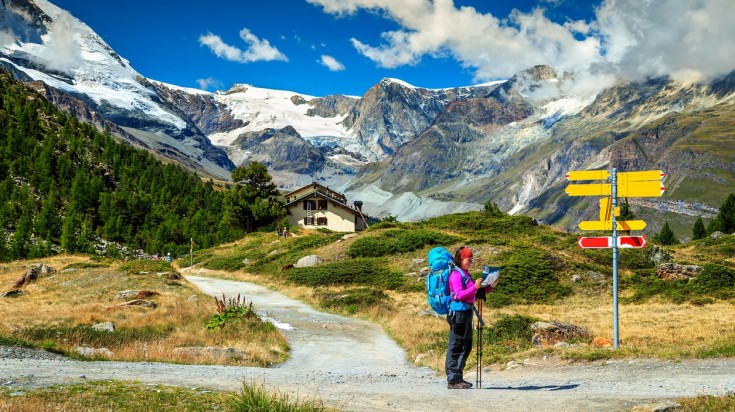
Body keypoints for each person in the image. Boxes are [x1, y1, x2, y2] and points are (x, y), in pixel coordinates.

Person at [445, 246, 487, 389]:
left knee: (466, 346)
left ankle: (458, 377)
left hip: (467, 313)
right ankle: (452, 380)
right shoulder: (456, 275)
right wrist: (475, 287)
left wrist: (489, 286)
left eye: (471, 259)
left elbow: (472, 293)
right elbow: (460, 295)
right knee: (456, 346)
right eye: (468, 259)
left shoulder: (465, 274)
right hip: (458, 314)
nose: (471, 262)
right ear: (460, 259)